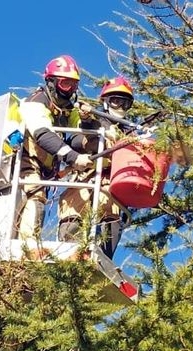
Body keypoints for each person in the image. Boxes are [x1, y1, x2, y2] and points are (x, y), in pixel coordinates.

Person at [16, 55, 93, 241]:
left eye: (74, 85)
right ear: (51, 82)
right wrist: (73, 157)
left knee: (38, 197)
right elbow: (43, 135)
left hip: (45, 169)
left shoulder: (69, 110)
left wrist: (88, 124)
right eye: (66, 84)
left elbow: (76, 138)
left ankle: (33, 245)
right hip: (26, 164)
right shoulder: (35, 102)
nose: (70, 91)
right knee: (35, 198)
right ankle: (27, 247)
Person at [57, 75, 135, 258]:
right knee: (74, 209)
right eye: (116, 101)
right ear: (106, 102)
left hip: (110, 183)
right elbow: (78, 141)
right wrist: (87, 121)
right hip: (85, 177)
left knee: (111, 213)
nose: (121, 107)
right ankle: (70, 254)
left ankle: (103, 258)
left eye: (126, 103)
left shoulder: (130, 132)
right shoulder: (96, 120)